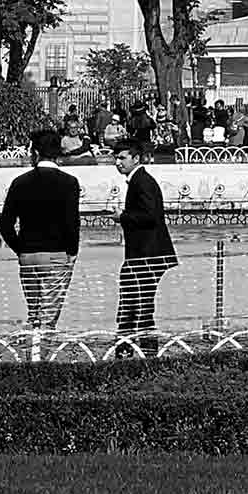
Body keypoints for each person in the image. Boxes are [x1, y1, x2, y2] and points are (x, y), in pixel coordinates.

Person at [0, 127, 82, 330]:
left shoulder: (19, 182)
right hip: (57, 254)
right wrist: (72, 252)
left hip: (28, 256)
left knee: (34, 314)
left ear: (35, 153)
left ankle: (32, 345)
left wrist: (21, 249)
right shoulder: (69, 182)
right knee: (48, 318)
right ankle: (46, 348)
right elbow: (72, 223)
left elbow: (5, 226)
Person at [112, 145, 175, 347]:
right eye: (116, 158)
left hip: (147, 255)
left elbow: (150, 216)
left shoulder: (142, 182)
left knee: (138, 305)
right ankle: (133, 349)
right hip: (144, 254)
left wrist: (123, 217)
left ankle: (138, 350)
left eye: (122, 158)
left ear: (136, 158)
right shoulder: (139, 180)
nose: (117, 163)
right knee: (136, 304)